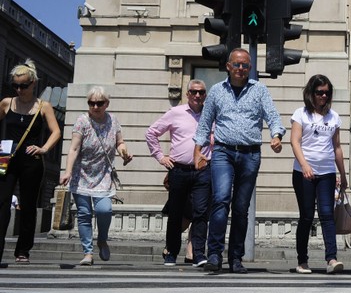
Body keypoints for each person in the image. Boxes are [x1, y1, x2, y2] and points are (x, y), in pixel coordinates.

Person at [193, 49, 285, 274]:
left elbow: (272, 116)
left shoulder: (259, 90)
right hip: (223, 152)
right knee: (221, 200)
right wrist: (198, 151)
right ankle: (214, 254)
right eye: (237, 65)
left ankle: (236, 257)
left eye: (245, 65)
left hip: (250, 154)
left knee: (241, 208)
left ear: (250, 68)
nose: (241, 69)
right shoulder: (216, 91)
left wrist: (276, 136)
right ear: (228, 66)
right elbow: (205, 123)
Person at [60, 87, 133, 266]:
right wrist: (68, 171)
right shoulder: (82, 121)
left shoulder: (113, 121)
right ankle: (88, 252)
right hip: (81, 174)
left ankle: (102, 239)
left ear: (106, 104)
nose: (95, 106)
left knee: (104, 210)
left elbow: (120, 142)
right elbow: (74, 148)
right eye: (91, 103)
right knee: (84, 214)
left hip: (103, 175)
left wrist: (124, 153)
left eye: (99, 103)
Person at [0, 60, 62, 265]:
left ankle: (23, 250)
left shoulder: (43, 106)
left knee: (27, 205)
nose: (19, 90)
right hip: (6, 158)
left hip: (31, 160)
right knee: (1, 203)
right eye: (15, 85)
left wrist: (44, 148)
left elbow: (56, 132)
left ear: (33, 83)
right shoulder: (6, 103)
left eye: (23, 86)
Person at [146, 79, 212, 267]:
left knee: (200, 213)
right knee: (176, 213)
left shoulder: (211, 114)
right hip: (179, 170)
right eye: (193, 92)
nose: (197, 95)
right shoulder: (175, 113)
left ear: (205, 95)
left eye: (201, 92)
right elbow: (151, 133)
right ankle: (171, 252)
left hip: (202, 171)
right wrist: (160, 157)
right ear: (187, 94)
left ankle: (198, 253)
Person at [290, 75, 348, 274]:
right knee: (306, 216)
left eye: (327, 92)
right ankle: (302, 261)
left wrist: (343, 173)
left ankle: (331, 259)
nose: (323, 96)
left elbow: (337, 147)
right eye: (319, 92)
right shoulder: (301, 114)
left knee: (327, 215)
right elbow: (295, 141)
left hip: (327, 173)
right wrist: (304, 164)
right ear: (311, 93)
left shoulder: (334, 117)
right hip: (303, 173)